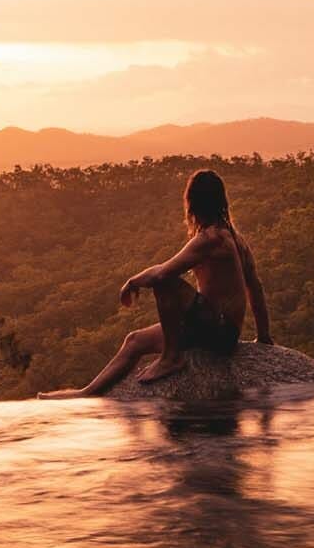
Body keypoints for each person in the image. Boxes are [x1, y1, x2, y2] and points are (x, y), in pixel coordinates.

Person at [39, 168, 271, 397]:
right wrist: (263, 336)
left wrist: (132, 282)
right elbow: (256, 288)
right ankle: (87, 393)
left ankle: (172, 358)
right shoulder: (235, 239)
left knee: (165, 283)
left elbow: (163, 274)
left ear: (193, 204)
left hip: (217, 331)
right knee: (134, 341)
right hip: (215, 330)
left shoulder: (210, 239)